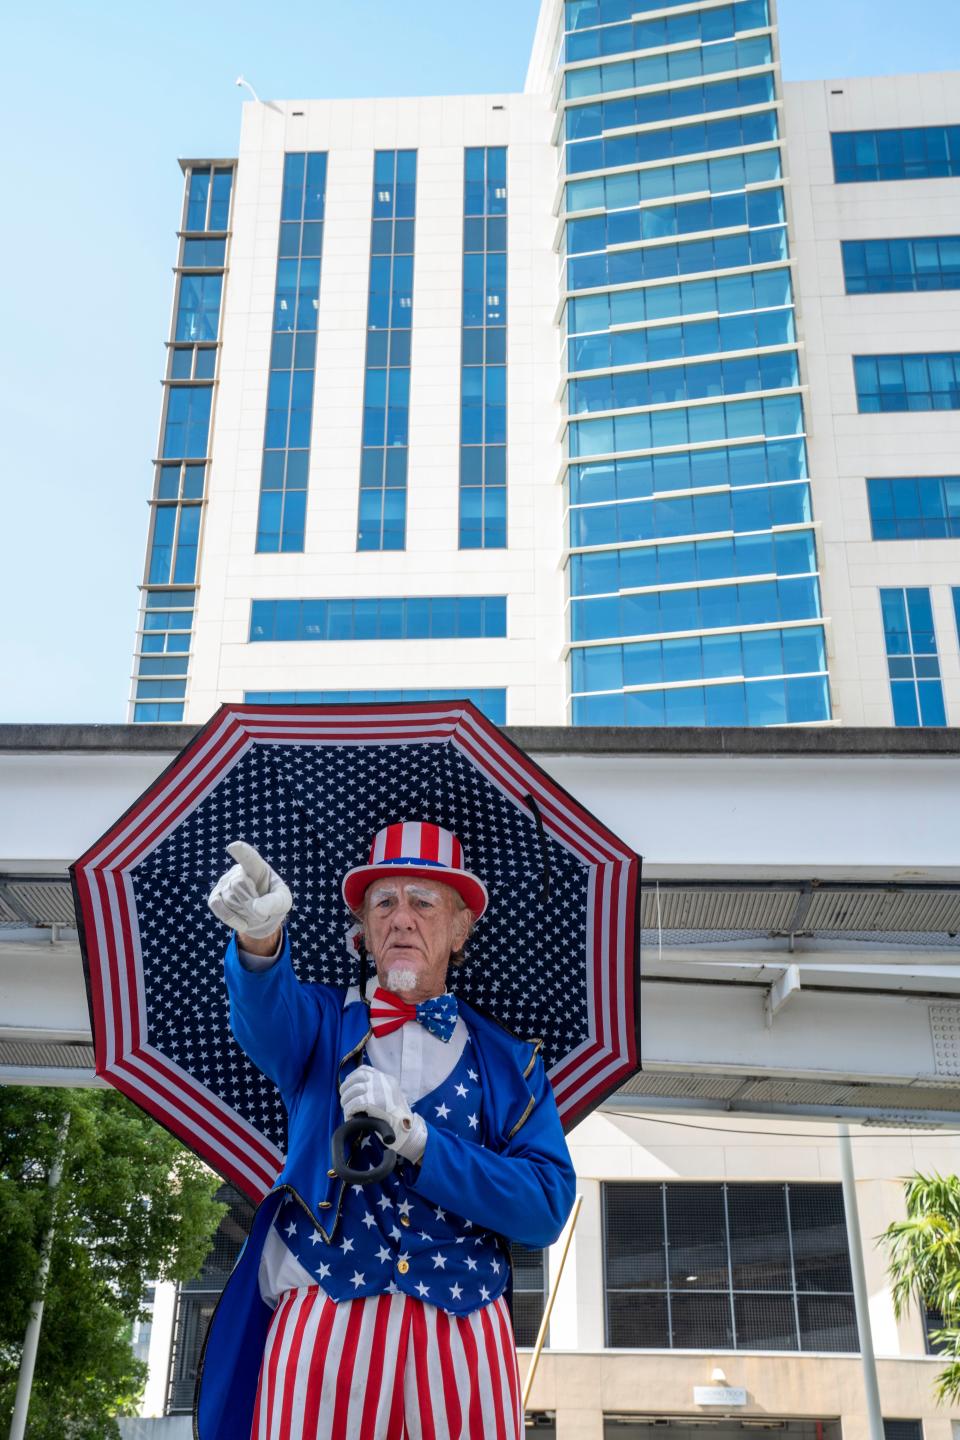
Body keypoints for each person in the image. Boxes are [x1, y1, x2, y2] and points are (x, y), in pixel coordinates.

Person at [199, 820, 576, 1440]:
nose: (402, 918)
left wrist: (419, 1138)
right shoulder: (318, 1024)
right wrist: (261, 940)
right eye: (384, 902)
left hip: (462, 1324)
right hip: (326, 1312)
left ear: (460, 930)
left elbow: (544, 1206)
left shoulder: (513, 1062)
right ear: (363, 931)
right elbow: (264, 1023)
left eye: (423, 902)